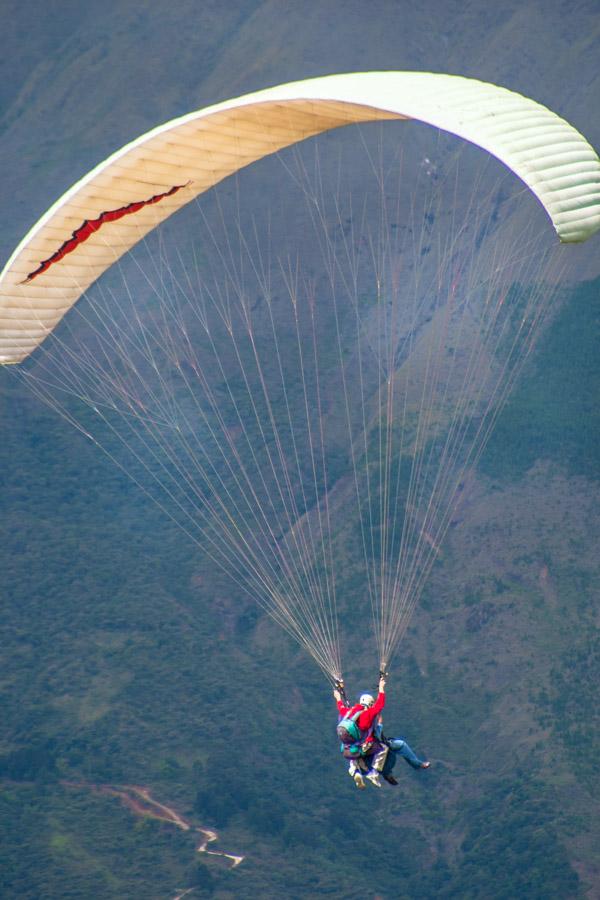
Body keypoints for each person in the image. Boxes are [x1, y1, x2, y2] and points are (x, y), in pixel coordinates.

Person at [334, 676, 388, 788]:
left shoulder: (351, 711)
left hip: (346, 748)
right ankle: (375, 771)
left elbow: (341, 709)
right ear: (370, 704)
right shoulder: (369, 713)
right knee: (383, 748)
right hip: (362, 746)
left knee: (355, 755)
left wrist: (338, 698)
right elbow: (380, 705)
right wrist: (381, 688)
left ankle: (355, 771)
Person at [375, 717, 430, 785]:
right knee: (401, 745)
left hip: (382, 748)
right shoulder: (369, 725)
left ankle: (388, 775)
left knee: (389, 759)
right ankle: (418, 764)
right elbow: (377, 735)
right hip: (382, 747)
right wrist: (379, 722)